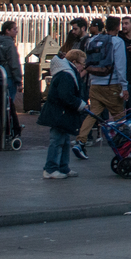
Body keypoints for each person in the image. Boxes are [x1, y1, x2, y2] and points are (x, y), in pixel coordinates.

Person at [73, 16, 128, 160]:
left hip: (95, 84)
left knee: (93, 114)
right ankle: (125, 145)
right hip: (111, 84)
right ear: (117, 27)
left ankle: (80, 141)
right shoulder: (117, 42)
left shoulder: (93, 41)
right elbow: (120, 65)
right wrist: (124, 86)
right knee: (119, 116)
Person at [39, 50, 89, 179]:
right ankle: (51, 168)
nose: (83, 66)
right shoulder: (66, 75)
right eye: (82, 63)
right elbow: (65, 96)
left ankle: (62, 167)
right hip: (59, 112)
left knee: (65, 139)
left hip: (61, 112)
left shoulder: (66, 72)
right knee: (57, 140)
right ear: (74, 62)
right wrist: (80, 104)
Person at [0, 21, 23, 138]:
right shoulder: (9, 44)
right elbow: (14, 63)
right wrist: (19, 80)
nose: (16, 31)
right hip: (8, 76)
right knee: (8, 105)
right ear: (8, 30)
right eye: (14, 29)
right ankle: (8, 131)